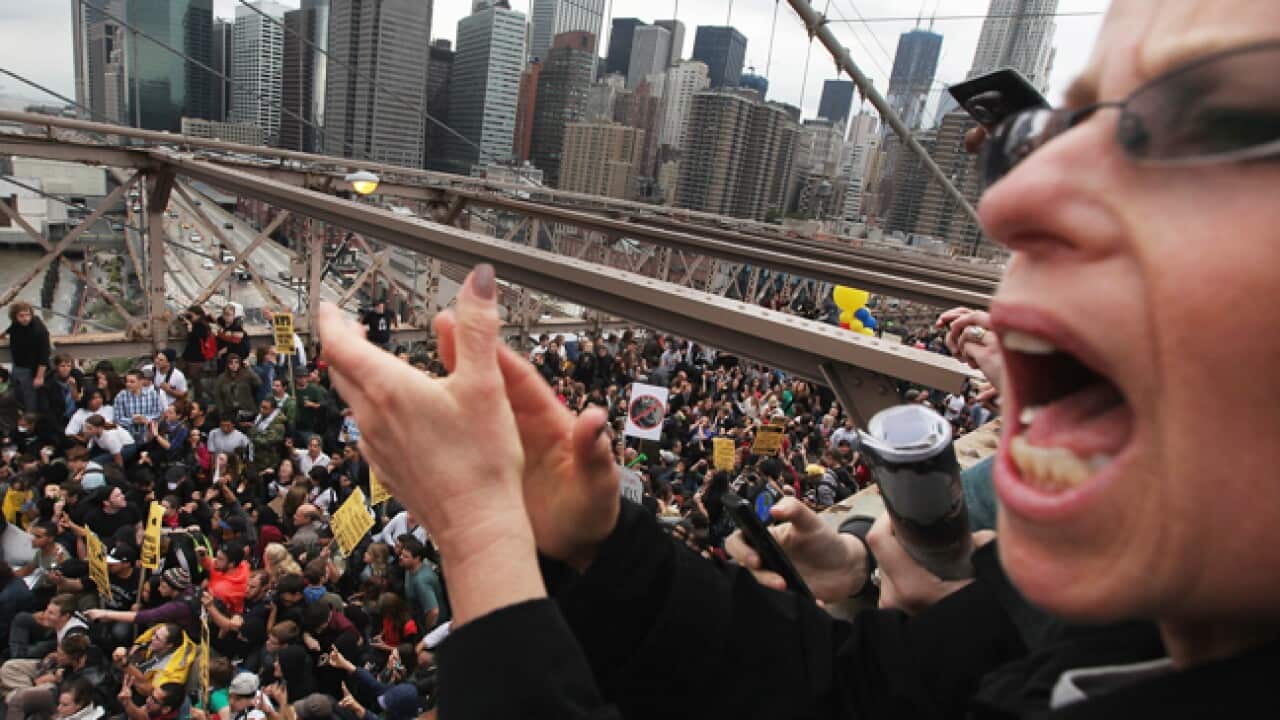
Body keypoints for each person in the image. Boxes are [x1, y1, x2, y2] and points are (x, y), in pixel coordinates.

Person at [325, 32, 1280, 704]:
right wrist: (601, 547)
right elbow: (857, 694)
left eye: (1221, 130)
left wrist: (480, 538)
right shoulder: (1095, 635)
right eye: (1036, 138)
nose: (1016, 198)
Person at [1, 302, 51, 413]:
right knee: (17, 393)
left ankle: (30, 421)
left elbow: (44, 354)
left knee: (30, 398)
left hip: (29, 369)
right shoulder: (16, 324)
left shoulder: (39, 330)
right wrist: (2, 335)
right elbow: (10, 329)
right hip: (17, 364)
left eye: (28, 315)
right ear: (15, 316)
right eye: (21, 316)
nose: (26, 319)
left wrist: (39, 376)